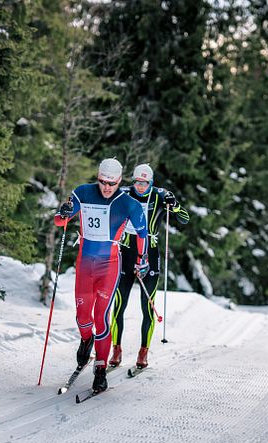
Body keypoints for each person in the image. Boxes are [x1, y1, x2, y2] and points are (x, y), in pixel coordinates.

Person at [54, 158, 149, 393]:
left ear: (119, 181)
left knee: (101, 318)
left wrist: (141, 260)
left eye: (112, 183)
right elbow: (59, 221)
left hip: (110, 266)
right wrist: (63, 213)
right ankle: (86, 340)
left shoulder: (128, 204)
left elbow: (142, 233)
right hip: (85, 265)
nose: (107, 187)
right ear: (98, 178)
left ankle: (99, 369)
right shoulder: (83, 193)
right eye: (103, 182)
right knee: (83, 316)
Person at [109, 163, 190, 369]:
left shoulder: (160, 196)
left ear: (151, 182)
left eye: (144, 183)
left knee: (148, 306)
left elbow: (185, 218)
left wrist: (175, 204)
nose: (140, 186)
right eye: (137, 182)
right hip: (126, 252)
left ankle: (143, 351)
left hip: (150, 254)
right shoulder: (124, 193)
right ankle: (116, 349)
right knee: (119, 304)